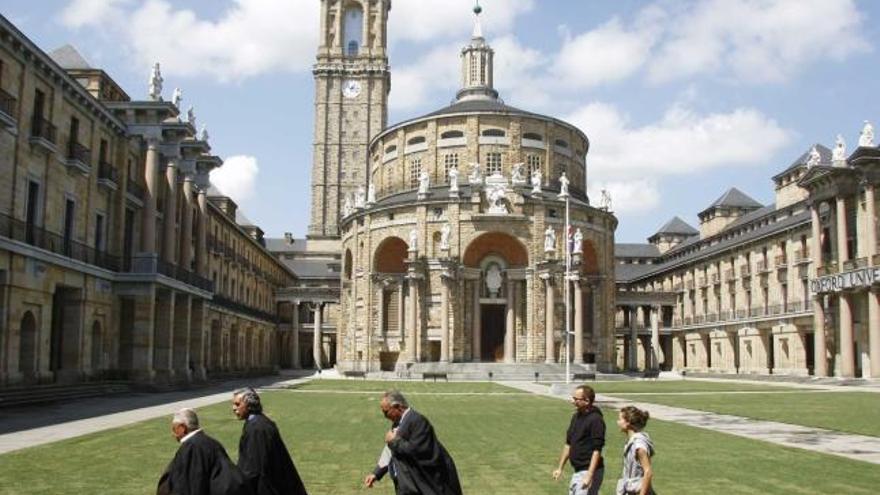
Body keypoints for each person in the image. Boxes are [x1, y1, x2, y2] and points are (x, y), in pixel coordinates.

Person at [364, 390, 462, 494]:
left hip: (419, 487)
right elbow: (389, 451)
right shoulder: (399, 423)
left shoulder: (417, 421)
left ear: (398, 407)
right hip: (406, 486)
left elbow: (418, 450)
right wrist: (376, 473)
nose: (385, 416)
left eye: (386, 412)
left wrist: (394, 441)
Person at [157, 408, 251, 495]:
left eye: (174, 429)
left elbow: (193, 485)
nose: (173, 434)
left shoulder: (192, 447)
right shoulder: (211, 442)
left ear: (182, 428)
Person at [233, 387, 308, 495]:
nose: (234, 408)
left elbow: (253, 467)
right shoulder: (257, 422)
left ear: (249, 405)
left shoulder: (257, 428)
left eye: (237, 404)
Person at [552, 385, 606, 495]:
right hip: (578, 471)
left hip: (589, 471)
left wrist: (589, 475)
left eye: (576, 399)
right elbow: (568, 444)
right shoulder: (576, 417)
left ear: (586, 401)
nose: (573, 402)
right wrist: (560, 468)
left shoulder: (596, 420)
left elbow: (597, 450)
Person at [615, 406, 655, 495]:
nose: (618, 422)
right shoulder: (631, 442)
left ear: (628, 422)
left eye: (620, 419)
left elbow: (648, 472)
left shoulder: (639, 445)